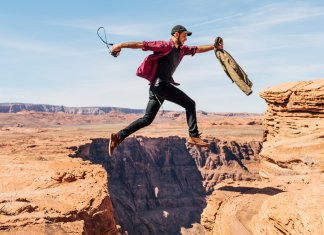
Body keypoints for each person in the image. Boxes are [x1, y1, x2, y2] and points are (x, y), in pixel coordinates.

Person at [108, 25, 223, 156]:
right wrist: (120, 45)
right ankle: (194, 135)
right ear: (176, 34)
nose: (186, 38)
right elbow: (141, 44)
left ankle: (118, 137)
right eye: (184, 35)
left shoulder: (182, 50)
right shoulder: (164, 46)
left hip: (156, 89)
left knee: (147, 119)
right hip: (160, 86)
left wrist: (214, 47)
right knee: (190, 104)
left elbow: (198, 49)